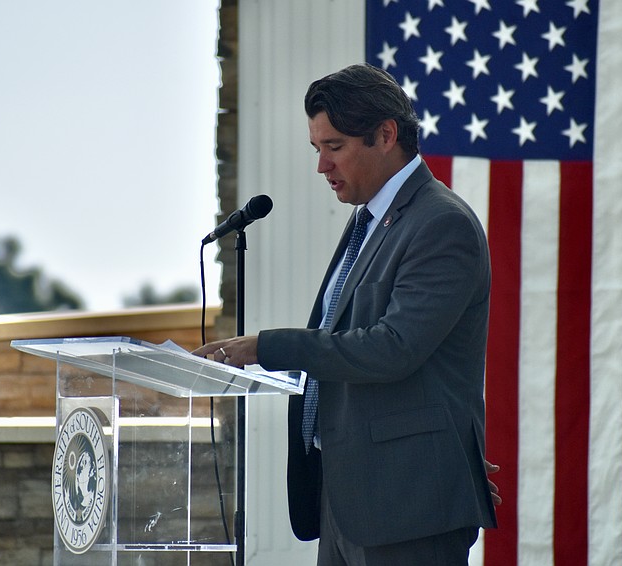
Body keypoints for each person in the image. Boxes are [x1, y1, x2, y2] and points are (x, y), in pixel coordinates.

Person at [194, 63, 499, 565]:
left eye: (334, 148)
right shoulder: (370, 220)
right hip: (348, 494)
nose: (322, 167)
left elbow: (392, 348)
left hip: (408, 504)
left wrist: (264, 346)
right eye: (317, 149)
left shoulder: (441, 223)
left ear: (385, 135)